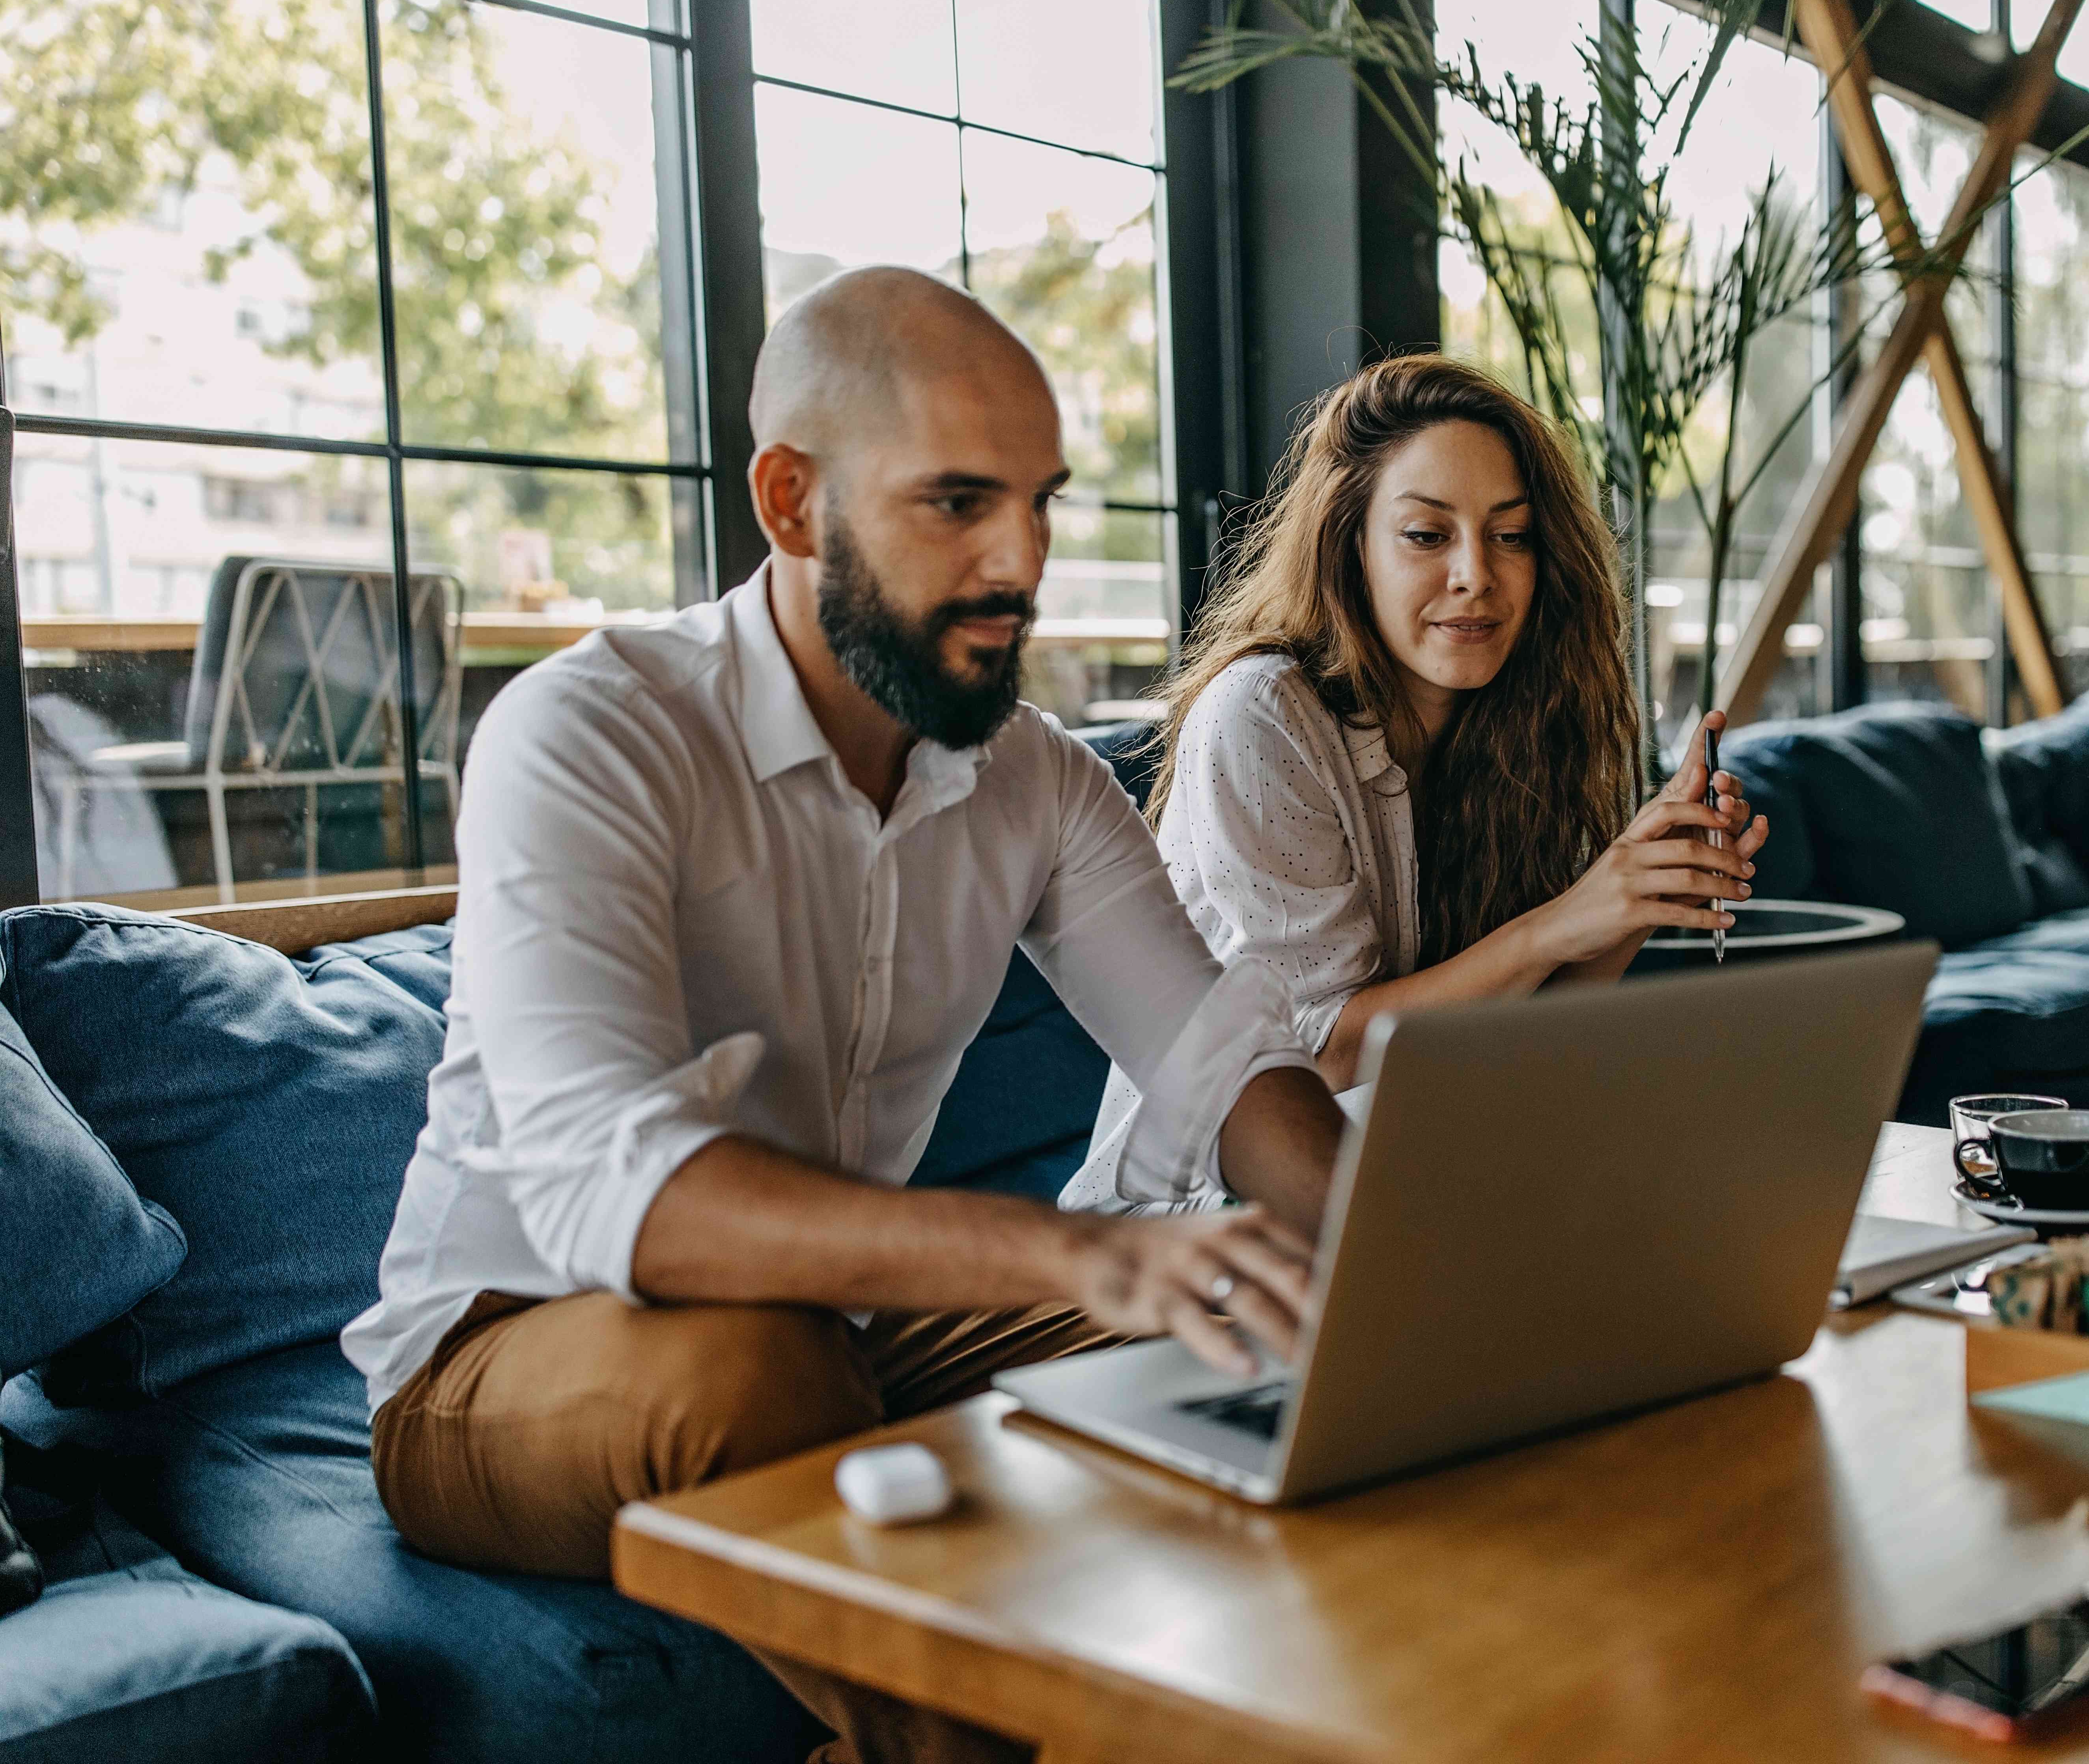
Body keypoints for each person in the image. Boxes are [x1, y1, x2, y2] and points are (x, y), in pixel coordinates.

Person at [341, 266, 1348, 1764]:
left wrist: (1394, 1271)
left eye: (1042, 501)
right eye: (957, 503)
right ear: (792, 499)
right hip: (504, 1352)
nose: (1022, 562)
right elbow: (630, 1193)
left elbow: (1222, 1060)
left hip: (841, 1323)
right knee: (765, 1366)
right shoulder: (590, 732)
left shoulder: (1033, 776)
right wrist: (1086, 1245)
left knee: (1252, 1309)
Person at [1065, 354, 1769, 1213]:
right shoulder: (1261, 716)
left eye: (1511, 536)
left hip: (1415, 1189)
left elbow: (1518, 1034)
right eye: (1428, 535)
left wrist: (1639, 894)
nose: (1477, 572)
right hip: (1199, 1228)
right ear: (1349, 543)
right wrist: (1563, 921)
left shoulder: (1522, 728)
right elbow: (1313, 1068)